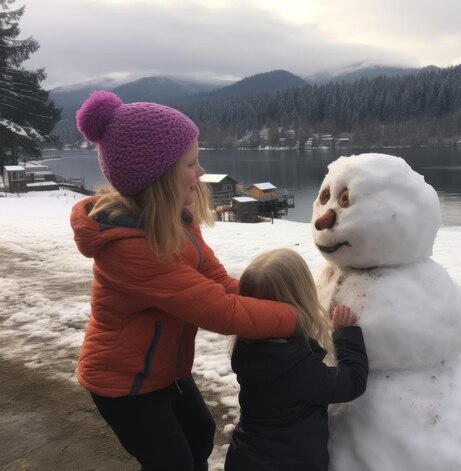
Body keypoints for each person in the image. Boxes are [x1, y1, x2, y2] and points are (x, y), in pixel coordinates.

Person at [70, 91, 298, 471]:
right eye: (191, 163)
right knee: (172, 462)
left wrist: (281, 298)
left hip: (165, 372)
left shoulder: (176, 221)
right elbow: (222, 312)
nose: (203, 171)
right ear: (158, 177)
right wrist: (297, 318)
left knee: (200, 433)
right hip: (123, 383)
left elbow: (220, 284)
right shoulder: (129, 250)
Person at [224, 248, 369, 471]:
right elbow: (352, 382)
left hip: (245, 456)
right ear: (302, 297)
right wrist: (346, 334)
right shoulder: (295, 367)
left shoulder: (246, 347)